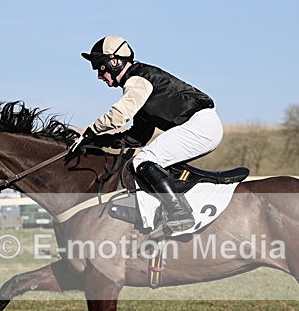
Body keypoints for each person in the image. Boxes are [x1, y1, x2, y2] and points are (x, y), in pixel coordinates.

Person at [71, 35, 223, 234]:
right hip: (201, 126)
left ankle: (180, 213)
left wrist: (89, 132)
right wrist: (99, 141)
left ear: (114, 62)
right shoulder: (140, 86)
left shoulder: (137, 80)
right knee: (147, 159)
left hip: (201, 126)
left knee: (144, 160)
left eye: (100, 67)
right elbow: (137, 137)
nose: (99, 76)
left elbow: (118, 115)